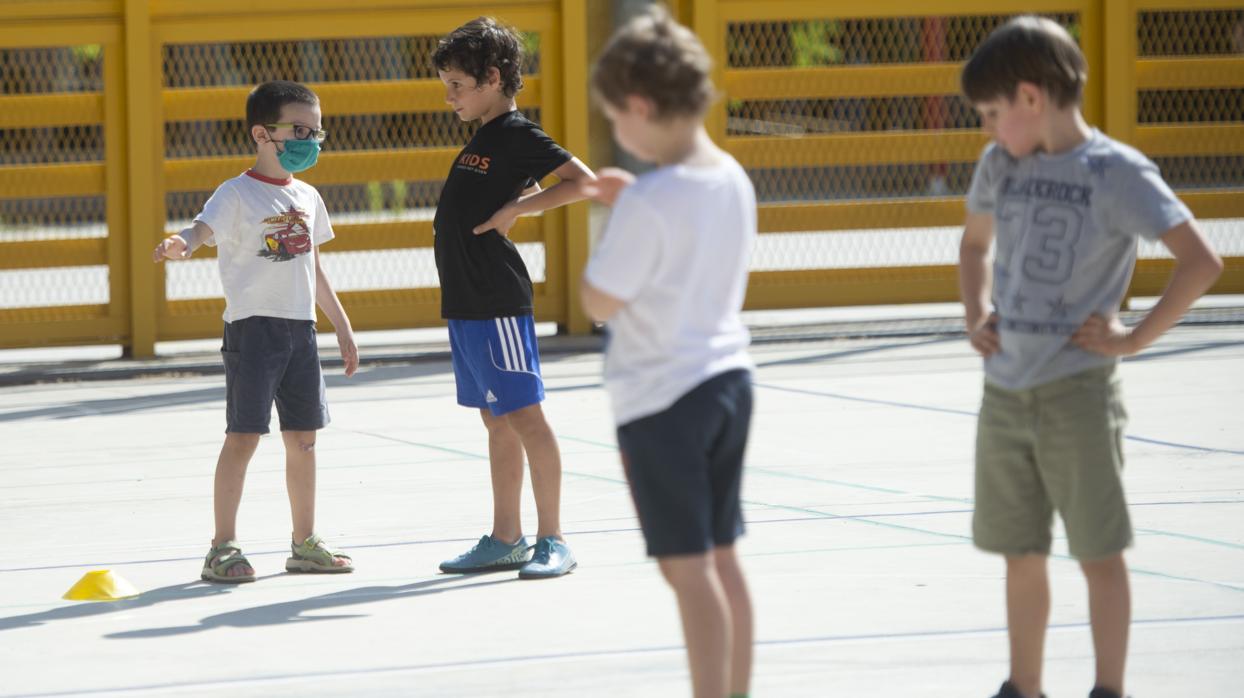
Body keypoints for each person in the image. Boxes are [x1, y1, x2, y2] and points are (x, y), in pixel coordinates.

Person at [958, 17, 1223, 698]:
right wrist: (975, 313)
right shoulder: (1000, 165)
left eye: (992, 114)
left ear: (1030, 97)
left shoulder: (1115, 171)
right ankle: (1025, 686)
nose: (988, 130)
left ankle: (1109, 688)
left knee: (1098, 554)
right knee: (1021, 553)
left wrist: (1134, 338)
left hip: (1077, 393)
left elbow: (1200, 261)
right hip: (1006, 392)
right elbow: (973, 247)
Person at [579, 8, 756, 698]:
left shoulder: (648, 202)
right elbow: (684, 246)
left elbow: (599, 299)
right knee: (721, 557)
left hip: (663, 400)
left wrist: (621, 215)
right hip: (727, 381)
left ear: (643, 106)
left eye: (614, 120)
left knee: (687, 571)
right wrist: (637, 203)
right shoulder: (730, 175)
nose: (615, 135)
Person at [152, 80, 359, 583]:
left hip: (300, 333)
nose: (310, 139)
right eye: (299, 129)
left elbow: (313, 266)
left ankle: (304, 543)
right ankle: (221, 546)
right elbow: (201, 229)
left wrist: (342, 326)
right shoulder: (236, 193)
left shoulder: (308, 195)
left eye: (316, 130)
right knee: (243, 437)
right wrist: (182, 242)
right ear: (263, 133)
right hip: (253, 332)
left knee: (303, 440)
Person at [430, 17, 595, 579]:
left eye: (458, 84)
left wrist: (516, 211)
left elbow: (584, 182)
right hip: (467, 301)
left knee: (525, 417)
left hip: (497, 300)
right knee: (495, 421)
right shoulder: (482, 137)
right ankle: (506, 537)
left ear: (493, 78)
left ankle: (554, 537)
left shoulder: (520, 134)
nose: (449, 96)